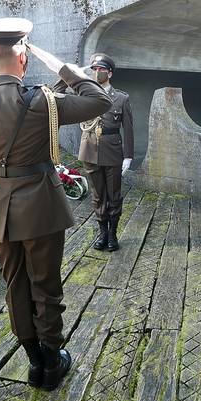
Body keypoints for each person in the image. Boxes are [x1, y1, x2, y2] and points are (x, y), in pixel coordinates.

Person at [0, 18, 112, 390]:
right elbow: (99, 99)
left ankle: (33, 360)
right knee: (46, 286)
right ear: (22, 56)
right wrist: (65, 69)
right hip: (41, 207)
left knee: (15, 286)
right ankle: (53, 362)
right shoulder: (41, 101)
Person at [78, 53, 134, 252]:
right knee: (97, 195)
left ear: (109, 73)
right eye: (94, 69)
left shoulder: (121, 98)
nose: (97, 73)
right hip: (90, 149)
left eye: (101, 69)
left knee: (114, 195)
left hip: (112, 151)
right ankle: (102, 233)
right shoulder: (86, 94)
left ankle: (113, 234)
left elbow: (128, 128)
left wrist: (128, 156)